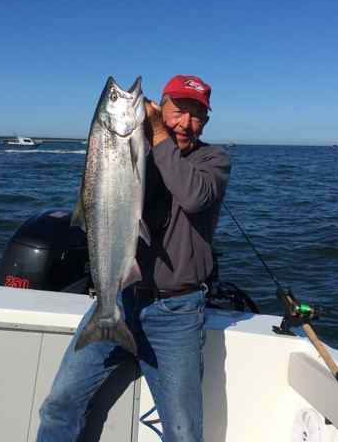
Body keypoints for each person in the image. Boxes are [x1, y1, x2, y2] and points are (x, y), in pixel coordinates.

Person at [38, 75, 231, 442]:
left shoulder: (213, 160)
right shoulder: (134, 149)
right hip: (119, 302)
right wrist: (139, 135)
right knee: (59, 405)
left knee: (183, 432)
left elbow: (193, 196)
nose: (185, 124)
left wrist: (158, 132)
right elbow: (102, 190)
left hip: (177, 314)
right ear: (161, 107)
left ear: (205, 122)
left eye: (197, 116)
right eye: (178, 112)